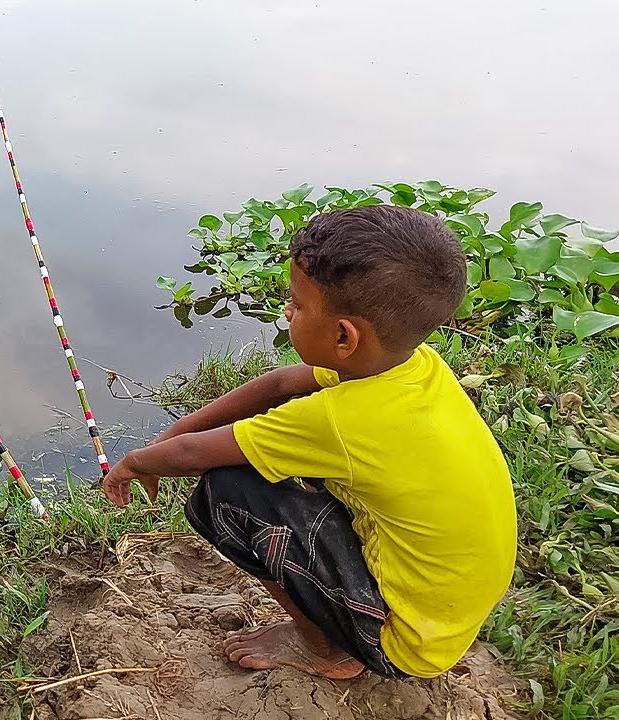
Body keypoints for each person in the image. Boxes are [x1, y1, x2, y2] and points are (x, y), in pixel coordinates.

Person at [102, 205, 515, 680]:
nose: (286, 310)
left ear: (344, 335)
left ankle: (325, 649)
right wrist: (170, 437)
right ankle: (340, 619)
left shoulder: (336, 422)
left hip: (403, 643)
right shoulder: (413, 366)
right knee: (298, 469)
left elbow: (195, 457)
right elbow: (280, 385)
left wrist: (135, 461)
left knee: (225, 493)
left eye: (297, 304)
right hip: (447, 611)